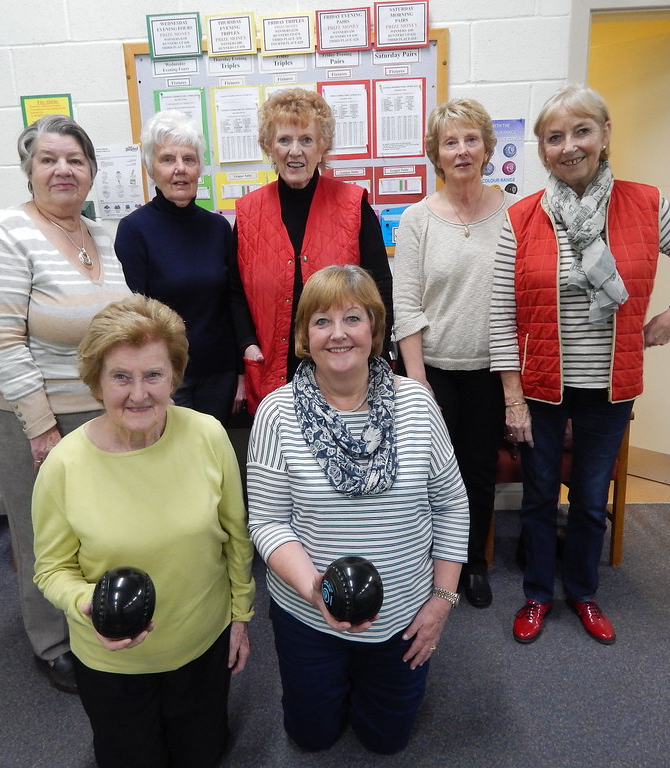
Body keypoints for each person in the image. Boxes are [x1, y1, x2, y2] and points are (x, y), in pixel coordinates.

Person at [490, 85, 670, 645]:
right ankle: (538, 595)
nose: (569, 146)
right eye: (555, 137)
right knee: (541, 497)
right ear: (542, 149)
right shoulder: (521, 218)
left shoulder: (646, 205)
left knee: (592, 500)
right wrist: (513, 398)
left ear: (604, 136)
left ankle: (585, 593)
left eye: (581, 131)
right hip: (543, 385)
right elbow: (501, 314)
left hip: (612, 387)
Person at [247, 265, 469, 755]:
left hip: (405, 615)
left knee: (385, 742)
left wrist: (441, 603)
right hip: (306, 614)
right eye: (322, 322)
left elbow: (452, 504)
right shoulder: (276, 412)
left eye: (353, 317)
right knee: (311, 738)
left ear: (375, 328)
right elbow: (266, 521)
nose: (339, 333)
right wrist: (315, 591)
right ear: (305, 336)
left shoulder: (417, 404)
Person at [32, 294, 255, 768]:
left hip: (202, 644)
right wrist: (85, 602)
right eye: (121, 377)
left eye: (153, 374)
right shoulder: (64, 465)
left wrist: (240, 617)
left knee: (203, 755)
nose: (139, 393)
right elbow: (51, 569)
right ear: (96, 382)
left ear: (174, 376)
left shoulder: (208, 435)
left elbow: (237, 537)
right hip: (114, 662)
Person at [0, 114, 131, 693]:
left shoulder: (104, 235)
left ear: (90, 172)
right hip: (28, 411)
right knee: (44, 531)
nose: (63, 170)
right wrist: (40, 426)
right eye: (48, 159)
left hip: (99, 411)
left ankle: (101, 617)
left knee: (96, 527)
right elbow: (2, 339)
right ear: (29, 170)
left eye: (76, 160)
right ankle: (51, 641)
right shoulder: (8, 231)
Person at [392, 98, 519, 609]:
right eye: (450, 142)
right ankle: (428, 561)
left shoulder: (516, 213)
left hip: (490, 370)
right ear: (436, 155)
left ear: (487, 148)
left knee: (477, 471)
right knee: (428, 474)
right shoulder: (418, 218)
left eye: (471, 139)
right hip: (433, 371)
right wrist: (417, 379)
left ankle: (473, 563)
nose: (462, 150)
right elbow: (405, 303)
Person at [231, 87, 393, 415]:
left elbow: (381, 289)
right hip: (273, 371)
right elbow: (234, 292)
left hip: (344, 367)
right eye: (284, 140)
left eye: (306, 139)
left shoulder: (353, 205)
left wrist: (373, 352)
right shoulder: (248, 213)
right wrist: (247, 344)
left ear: (323, 147)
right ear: (268, 147)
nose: (295, 151)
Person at [114, 110, 242, 424]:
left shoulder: (218, 228)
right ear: (150, 169)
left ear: (200, 168)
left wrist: (240, 372)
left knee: (211, 455)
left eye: (189, 159)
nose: (180, 169)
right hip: (166, 377)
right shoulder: (134, 230)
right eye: (168, 159)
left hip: (219, 373)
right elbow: (134, 315)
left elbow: (233, 301)